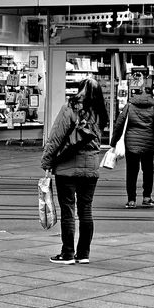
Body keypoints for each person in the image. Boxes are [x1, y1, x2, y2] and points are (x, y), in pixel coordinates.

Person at [41, 78, 107, 265]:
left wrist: (47, 160)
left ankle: (67, 253)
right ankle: (84, 253)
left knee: (68, 210)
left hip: (67, 168)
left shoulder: (70, 108)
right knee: (86, 210)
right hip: (91, 168)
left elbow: (56, 136)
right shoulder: (100, 113)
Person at [111, 88, 154, 209]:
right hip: (148, 143)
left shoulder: (129, 106)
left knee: (131, 171)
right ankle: (147, 197)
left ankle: (131, 200)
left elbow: (119, 123)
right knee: (148, 170)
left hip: (131, 144)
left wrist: (114, 141)